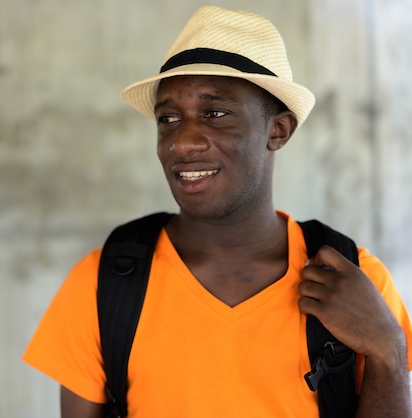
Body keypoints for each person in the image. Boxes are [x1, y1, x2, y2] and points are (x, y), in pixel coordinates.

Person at [23, 5, 412, 417]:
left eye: (214, 114)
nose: (183, 142)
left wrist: (387, 348)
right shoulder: (105, 284)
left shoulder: (355, 279)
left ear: (277, 130)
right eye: (168, 118)